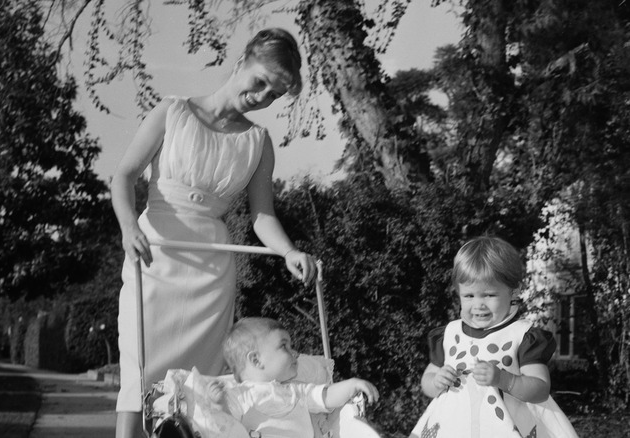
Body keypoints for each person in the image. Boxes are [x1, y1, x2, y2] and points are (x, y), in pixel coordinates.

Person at [110, 28, 317, 438]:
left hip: (212, 268)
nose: (261, 97)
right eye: (259, 82)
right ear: (241, 62)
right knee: (140, 369)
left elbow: (262, 217)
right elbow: (123, 175)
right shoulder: (172, 111)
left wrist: (289, 251)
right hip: (154, 253)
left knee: (202, 383)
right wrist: (128, 226)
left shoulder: (259, 142)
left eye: (272, 94)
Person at [409, 236, 579, 438]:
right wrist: (436, 381)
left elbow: (540, 388)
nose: (478, 304)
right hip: (451, 429)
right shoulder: (449, 334)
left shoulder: (522, 336)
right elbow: (427, 381)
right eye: (469, 296)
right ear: (459, 293)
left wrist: (504, 379)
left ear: (513, 292)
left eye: (489, 295)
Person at [208, 317, 381, 438]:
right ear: (256, 360)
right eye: (284, 346)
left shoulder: (295, 390)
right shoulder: (240, 395)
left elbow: (326, 396)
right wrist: (220, 405)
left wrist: (351, 385)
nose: (295, 353)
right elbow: (228, 429)